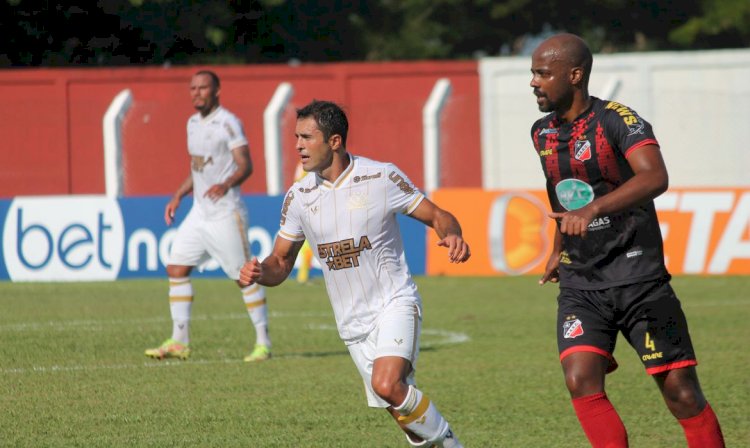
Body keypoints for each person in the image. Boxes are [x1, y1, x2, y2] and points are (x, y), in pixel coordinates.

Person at [530, 34, 724, 447]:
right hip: (581, 282)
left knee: (681, 393)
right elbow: (561, 194)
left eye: (543, 73)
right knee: (580, 379)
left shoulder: (618, 120)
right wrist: (557, 249)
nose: (534, 82)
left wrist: (594, 211)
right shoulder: (541, 133)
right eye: (534, 73)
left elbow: (655, 176)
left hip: (638, 277)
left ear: (575, 74)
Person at [239, 100, 468, 447]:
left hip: (395, 303)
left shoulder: (380, 177)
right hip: (351, 324)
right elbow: (281, 261)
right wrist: (260, 271)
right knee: (406, 416)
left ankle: (453, 444)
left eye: (306, 137)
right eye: (296, 137)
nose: (298, 145)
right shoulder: (299, 196)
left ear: (334, 141)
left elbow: (438, 215)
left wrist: (451, 234)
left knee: (387, 384)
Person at [145, 70, 272, 363]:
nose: (197, 93)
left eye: (203, 88)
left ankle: (263, 343)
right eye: (193, 88)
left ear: (216, 91)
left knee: (244, 277)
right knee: (176, 267)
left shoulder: (228, 123)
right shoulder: (191, 124)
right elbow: (197, 168)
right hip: (198, 213)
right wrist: (179, 195)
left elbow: (246, 165)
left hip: (226, 213)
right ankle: (179, 341)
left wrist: (225, 184)